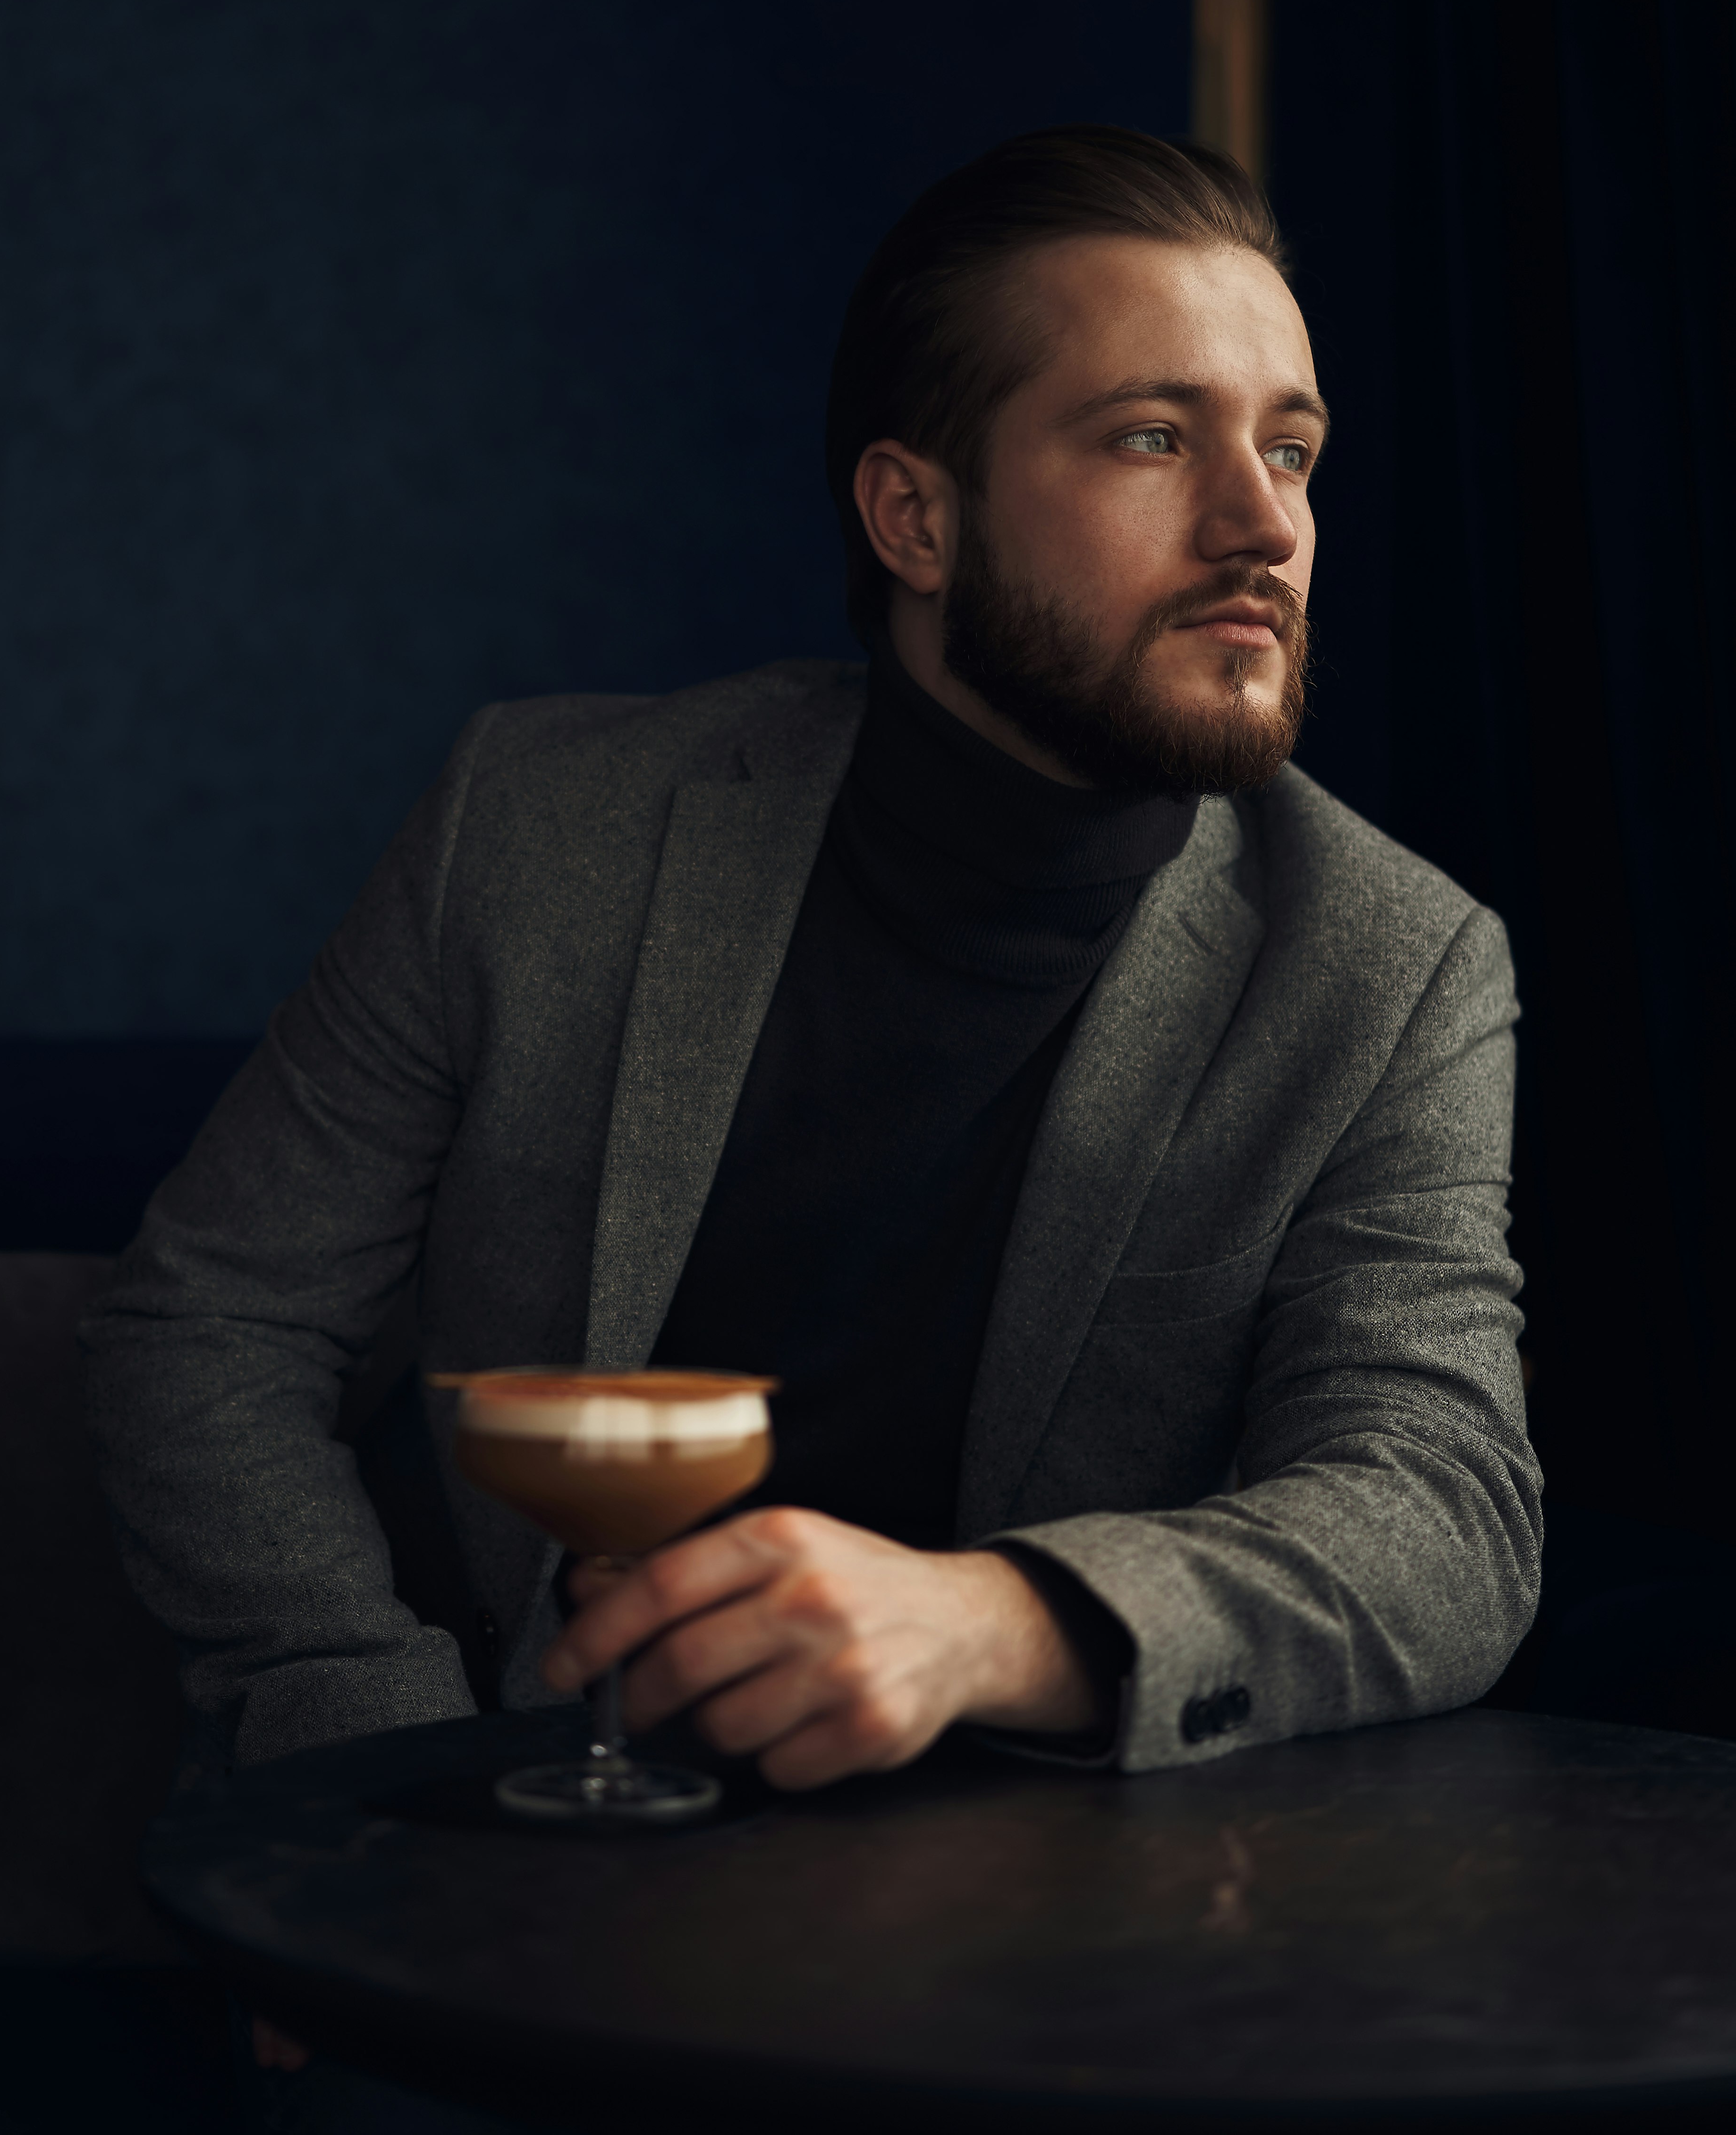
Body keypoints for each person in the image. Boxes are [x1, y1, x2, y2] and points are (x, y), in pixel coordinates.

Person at [81, 125, 1538, 1820]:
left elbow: (1443, 1508)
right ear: (915, 515)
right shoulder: (541, 825)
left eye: (1292, 450)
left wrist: (999, 1620)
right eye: (1154, 436)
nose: (1260, 526)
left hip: (1041, 1899)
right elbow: (210, 1325)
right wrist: (380, 1761)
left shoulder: (1395, 963)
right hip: (498, 1820)